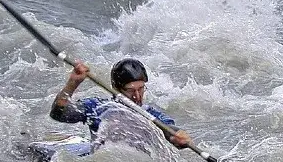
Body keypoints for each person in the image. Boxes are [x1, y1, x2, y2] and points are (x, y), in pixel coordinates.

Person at [50, 58, 192, 149]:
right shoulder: (98, 108)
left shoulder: (152, 115)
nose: (137, 96)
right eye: (130, 91)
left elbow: (169, 130)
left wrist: (177, 136)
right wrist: (73, 83)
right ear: (116, 89)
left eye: (141, 89)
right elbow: (58, 113)